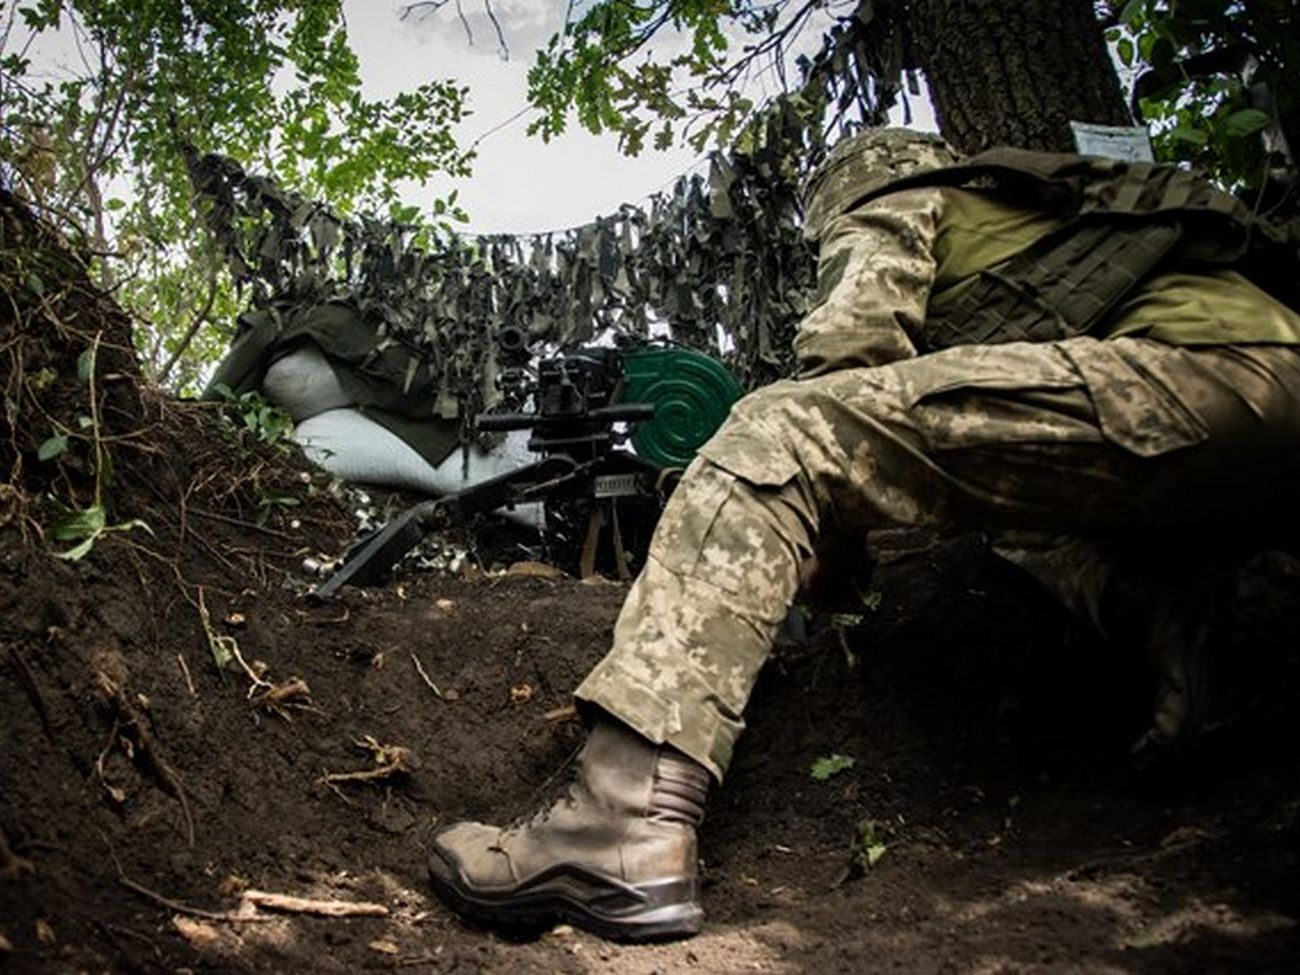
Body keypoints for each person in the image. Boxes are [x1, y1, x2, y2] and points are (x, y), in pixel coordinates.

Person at [426, 129, 1300, 942]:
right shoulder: (1046, 222)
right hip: (1253, 413)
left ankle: (618, 819)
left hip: (1190, 381)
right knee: (998, 509)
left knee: (777, 428)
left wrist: (829, 554)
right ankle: (1170, 619)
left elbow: (849, 363)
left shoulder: (900, 198)